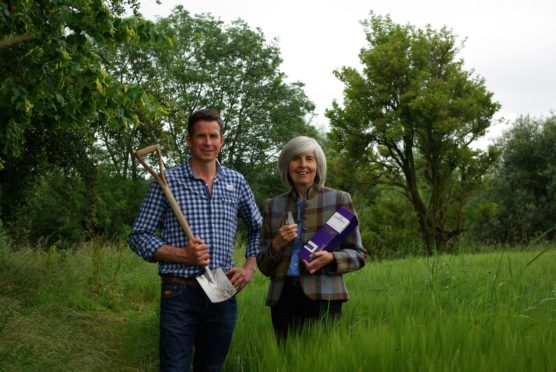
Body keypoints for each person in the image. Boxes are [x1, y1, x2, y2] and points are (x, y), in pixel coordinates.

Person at [128, 108, 262, 371]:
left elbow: (259, 228)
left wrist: (249, 268)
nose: (208, 142)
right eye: (201, 136)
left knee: (211, 367)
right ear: (189, 141)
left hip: (222, 287)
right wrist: (182, 255)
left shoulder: (236, 181)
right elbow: (138, 236)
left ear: (222, 140)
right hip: (179, 289)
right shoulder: (167, 181)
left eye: (214, 136)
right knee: (174, 367)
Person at [257, 136, 367, 340]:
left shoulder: (339, 200)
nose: (303, 165)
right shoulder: (273, 205)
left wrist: (332, 259)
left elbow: (359, 255)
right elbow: (263, 266)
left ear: (318, 165)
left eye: (309, 159)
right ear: (286, 164)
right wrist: (276, 244)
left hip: (325, 296)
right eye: (296, 159)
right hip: (283, 300)